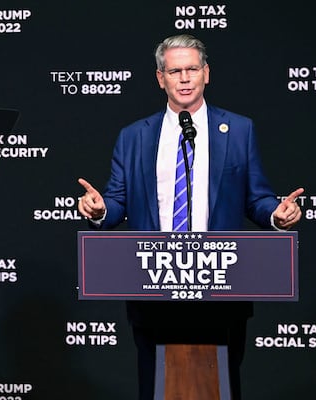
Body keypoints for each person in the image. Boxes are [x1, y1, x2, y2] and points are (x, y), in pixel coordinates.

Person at [77, 34, 303, 400]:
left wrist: (277, 215)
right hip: (153, 285)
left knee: (222, 385)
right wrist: (100, 210)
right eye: (175, 70)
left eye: (192, 69)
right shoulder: (134, 136)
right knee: (156, 387)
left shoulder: (239, 130)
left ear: (206, 74)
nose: (184, 78)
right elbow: (117, 201)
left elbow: (256, 198)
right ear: (160, 78)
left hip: (222, 285)